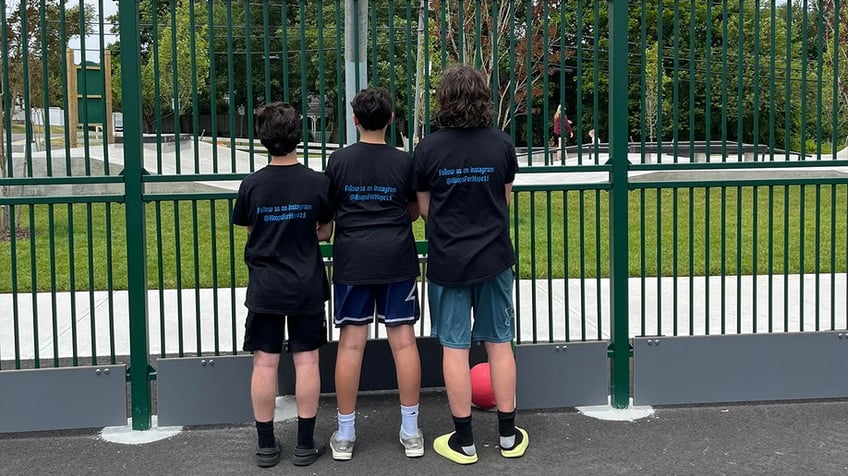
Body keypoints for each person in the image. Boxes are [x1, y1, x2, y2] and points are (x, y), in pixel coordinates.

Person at [413, 64, 529, 465]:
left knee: (455, 348)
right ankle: (509, 435)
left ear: (444, 100)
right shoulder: (501, 145)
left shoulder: (428, 149)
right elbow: (504, 198)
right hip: (495, 257)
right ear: (482, 99)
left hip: (449, 261)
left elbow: (426, 209)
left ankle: (464, 442)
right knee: (499, 343)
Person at [324, 87, 424, 461]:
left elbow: (329, 212)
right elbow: (414, 212)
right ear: (391, 120)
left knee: (351, 343)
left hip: (353, 260)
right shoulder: (404, 162)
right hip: (397, 257)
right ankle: (411, 431)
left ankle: (346, 435)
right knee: (404, 342)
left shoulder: (338, 161)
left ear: (354, 119)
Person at [231, 102, 332, 468]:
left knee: (265, 364)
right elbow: (324, 229)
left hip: (266, 285)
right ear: (298, 137)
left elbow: (251, 229)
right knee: (307, 361)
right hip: (305, 284)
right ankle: (305, 444)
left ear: (262, 139)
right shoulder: (317, 182)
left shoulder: (252, 185)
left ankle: (266, 445)